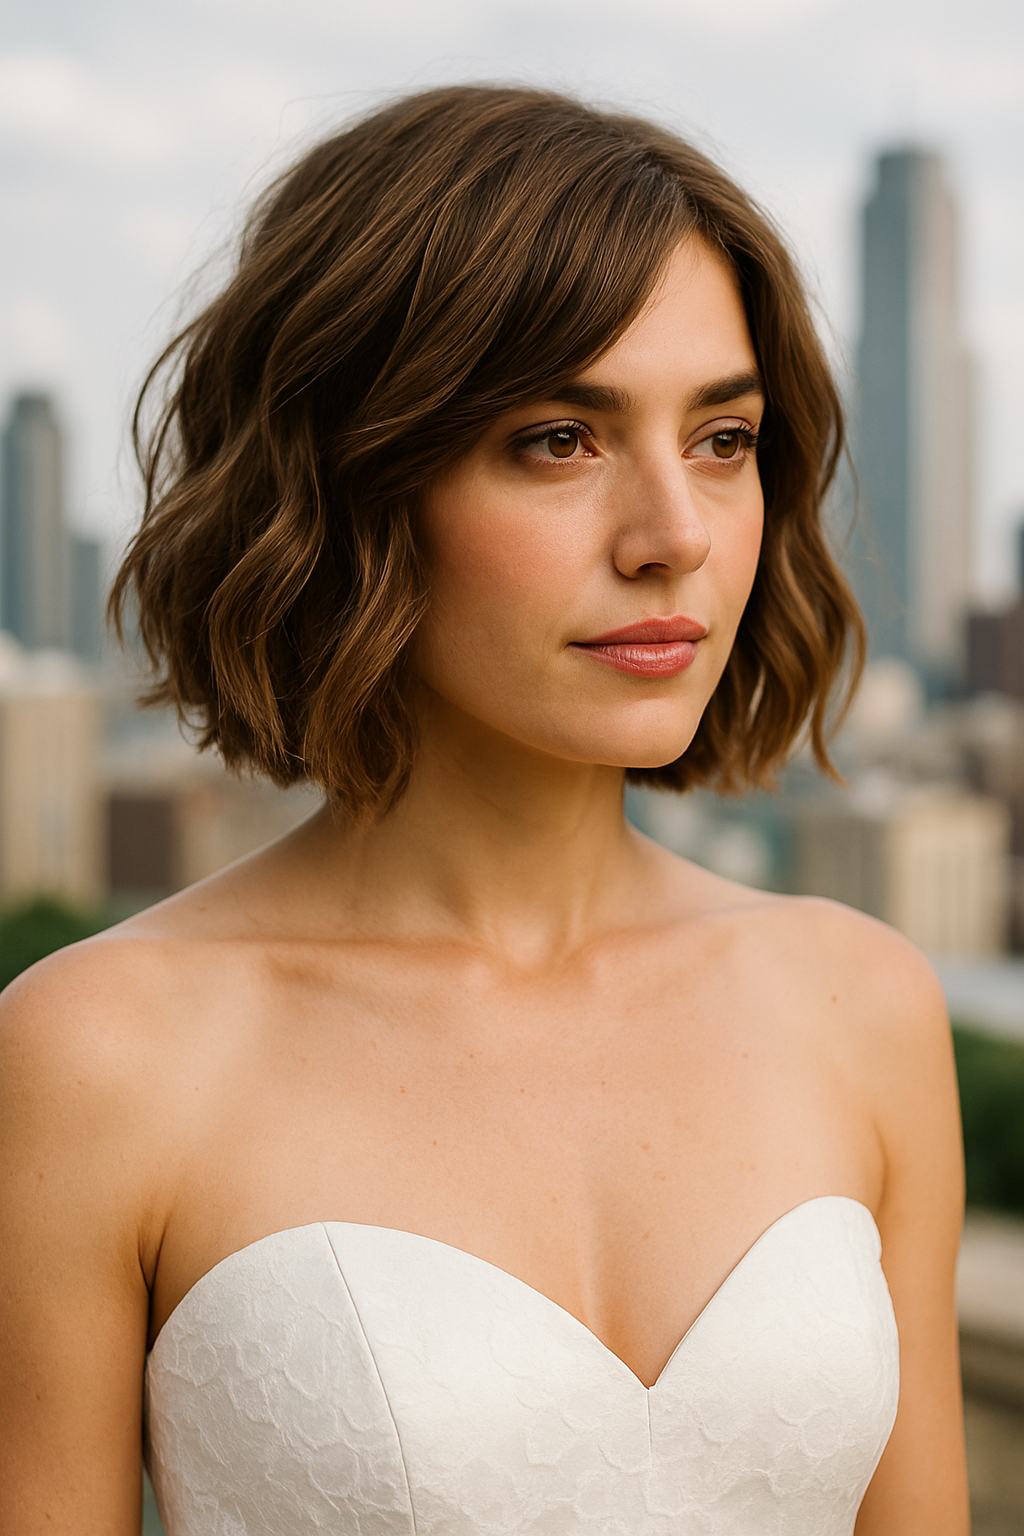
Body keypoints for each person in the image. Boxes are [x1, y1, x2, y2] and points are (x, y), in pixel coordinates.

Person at [0, 86, 968, 1535]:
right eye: (558, 438)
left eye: (723, 438)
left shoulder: (863, 1006)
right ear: (350, 478)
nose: (675, 537)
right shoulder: (98, 1057)